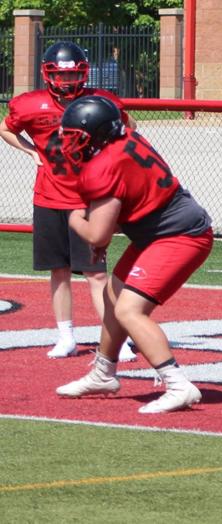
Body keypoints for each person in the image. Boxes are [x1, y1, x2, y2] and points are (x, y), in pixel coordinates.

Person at [54, 96, 212, 414]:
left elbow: (99, 234)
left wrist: (72, 216)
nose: (68, 142)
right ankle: (104, 373)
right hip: (160, 230)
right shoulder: (128, 137)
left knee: (130, 310)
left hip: (179, 234)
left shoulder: (103, 166)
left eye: (75, 136)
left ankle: (177, 383)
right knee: (114, 296)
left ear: (96, 135)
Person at [0, 42, 136, 361]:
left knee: (96, 273)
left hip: (88, 200)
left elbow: (129, 129)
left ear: (84, 73)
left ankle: (115, 338)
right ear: (47, 75)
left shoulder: (100, 100)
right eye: (61, 76)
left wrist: (108, 156)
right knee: (58, 271)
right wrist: (30, 150)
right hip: (49, 195)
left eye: (74, 74)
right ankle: (66, 336)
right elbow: (6, 128)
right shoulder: (30, 104)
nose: (67, 82)